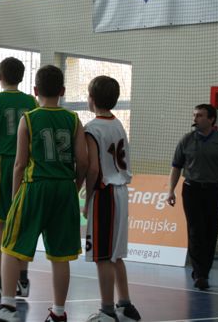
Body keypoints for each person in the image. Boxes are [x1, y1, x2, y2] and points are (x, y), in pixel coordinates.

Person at [0, 65, 88, 322]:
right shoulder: (74, 120)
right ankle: (59, 312)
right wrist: (75, 186)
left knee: (10, 246)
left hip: (36, 186)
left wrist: (16, 195)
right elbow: (83, 161)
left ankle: (8, 307)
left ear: (35, 90)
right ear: (63, 91)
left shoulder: (28, 119)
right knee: (60, 256)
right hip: (64, 188)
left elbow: (20, 164)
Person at [0, 57, 38, 301]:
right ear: (21, 77)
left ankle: (0, 282)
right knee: (22, 224)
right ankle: (22, 280)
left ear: (0, 77)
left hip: (4, 165)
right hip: (28, 165)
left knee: (0, 225)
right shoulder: (31, 101)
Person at [166, 103, 218, 290]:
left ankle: (205, 271)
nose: (195, 118)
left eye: (200, 115)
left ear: (211, 119)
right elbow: (176, 167)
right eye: (194, 115)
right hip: (191, 190)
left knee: (210, 231)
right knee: (195, 231)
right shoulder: (186, 140)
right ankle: (199, 274)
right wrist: (170, 190)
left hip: (213, 190)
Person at [83, 76, 141, 322]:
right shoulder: (118, 124)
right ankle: (126, 305)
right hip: (121, 192)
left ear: (91, 99)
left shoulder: (92, 128)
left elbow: (93, 168)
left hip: (104, 192)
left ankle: (107, 311)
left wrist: (86, 198)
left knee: (102, 256)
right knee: (115, 254)